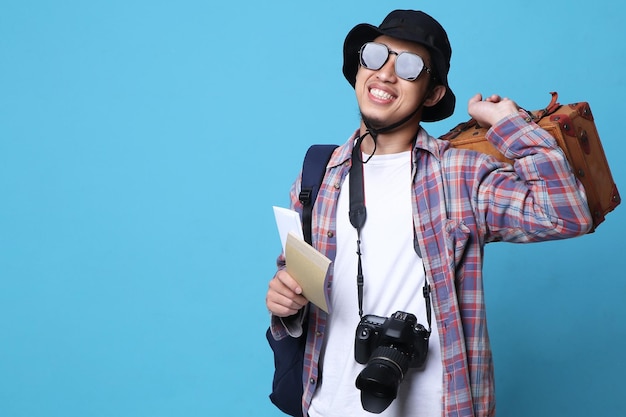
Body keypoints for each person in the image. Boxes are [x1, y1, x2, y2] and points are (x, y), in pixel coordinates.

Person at [266, 9, 592, 417]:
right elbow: (295, 280)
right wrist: (285, 302)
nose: (385, 73)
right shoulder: (319, 172)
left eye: (408, 66)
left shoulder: (460, 175)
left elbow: (567, 214)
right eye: (375, 56)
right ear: (358, 69)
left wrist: (510, 124)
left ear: (433, 93)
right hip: (328, 406)